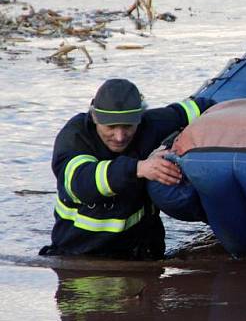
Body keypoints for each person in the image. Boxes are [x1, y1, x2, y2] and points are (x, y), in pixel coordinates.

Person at [40, 78, 215, 260]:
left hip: (144, 255)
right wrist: (138, 168)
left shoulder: (150, 124)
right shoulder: (74, 137)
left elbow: (200, 109)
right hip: (80, 256)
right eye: (111, 127)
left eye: (128, 127)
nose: (120, 136)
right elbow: (82, 182)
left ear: (139, 118)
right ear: (94, 118)